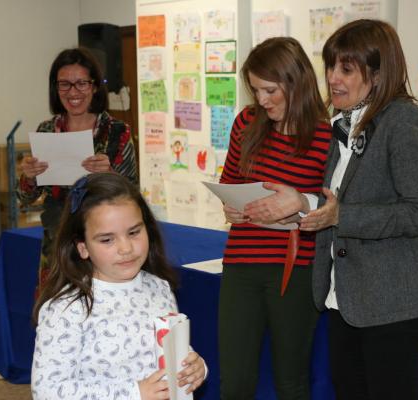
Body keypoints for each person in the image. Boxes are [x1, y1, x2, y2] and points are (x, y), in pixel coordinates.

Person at [247, 20, 418, 400]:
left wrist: (340, 216)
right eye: (331, 66)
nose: (333, 78)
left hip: (393, 304)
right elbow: (337, 199)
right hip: (345, 299)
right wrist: (303, 204)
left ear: (378, 73)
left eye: (346, 69)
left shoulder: (403, 122)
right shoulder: (343, 124)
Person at [218, 37, 332, 399]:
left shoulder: (327, 134)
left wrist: (300, 204)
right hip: (241, 263)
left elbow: (334, 206)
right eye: (255, 90)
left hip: (296, 268)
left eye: (270, 89)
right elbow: (230, 183)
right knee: (235, 379)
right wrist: (232, 207)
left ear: (296, 81)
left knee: (291, 379)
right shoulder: (247, 123)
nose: (262, 100)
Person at [31, 172, 206, 400]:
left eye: (134, 232)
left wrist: (194, 366)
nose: (126, 248)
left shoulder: (159, 288)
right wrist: (134, 393)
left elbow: (164, 351)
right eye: (107, 239)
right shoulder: (66, 309)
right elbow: (47, 391)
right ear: (82, 247)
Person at [18, 47, 138, 291]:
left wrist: (110, 175)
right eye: (65, 84)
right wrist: (28, 177)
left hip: (106, 247)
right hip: (56, 244)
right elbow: (26, 198)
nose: (73, 92)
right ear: (56, 88)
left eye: (81, 83)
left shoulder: (117, 132)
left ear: (94, 86)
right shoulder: (46, 130)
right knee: (55, 311)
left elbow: (133, 195)